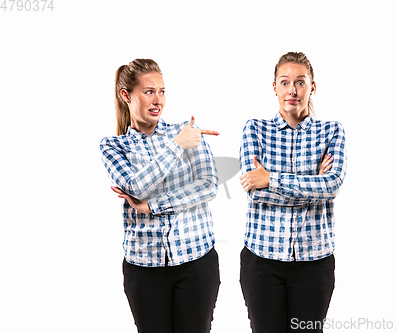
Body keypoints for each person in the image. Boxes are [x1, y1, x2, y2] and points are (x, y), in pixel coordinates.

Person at [100, 59, 220, 333]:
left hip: (197, 262)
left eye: (162, 91)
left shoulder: (185, 129)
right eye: (149, 91)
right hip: (144, 269)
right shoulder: (113, 146)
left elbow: (208, 185)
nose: (158, 100)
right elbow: (136, 186)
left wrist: (152, 206)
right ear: (126, 95)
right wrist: (178, 146)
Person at [239, 52, 347, 333]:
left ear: (312, 86)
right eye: (285, 82)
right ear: (274, 87)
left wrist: (270, 179)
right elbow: (255, 192)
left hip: (314, 261)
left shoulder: (332, 131)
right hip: (262, 260)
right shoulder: (255, 129)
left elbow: (332, 184)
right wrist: (313, 183)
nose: (292, 90)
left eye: (300, 82)